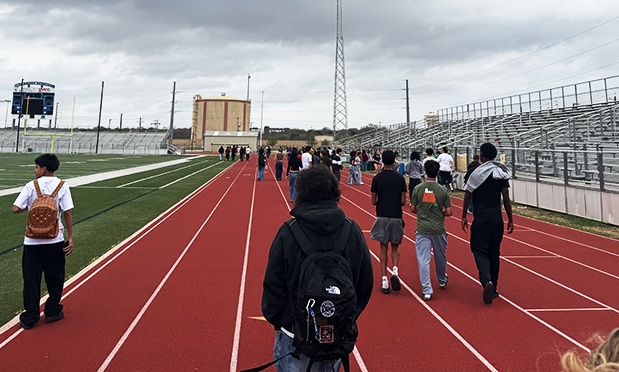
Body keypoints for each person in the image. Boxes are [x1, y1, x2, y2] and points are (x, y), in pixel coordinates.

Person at [262, 165, 373, 372]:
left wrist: (284, 323)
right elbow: (365, 283)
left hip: (294, 335)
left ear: (302, 192)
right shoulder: (352, 230)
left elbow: (273, 285)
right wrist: (343, 314)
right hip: (336, 330)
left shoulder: (288, 233)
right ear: (334, 192)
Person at [12, 154, 74, 330]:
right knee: (55, 277)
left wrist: (31, 207)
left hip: (32, 242)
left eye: (37, 167)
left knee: (31, 279)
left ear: (44, 168)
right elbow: (67, 212)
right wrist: (69, 237)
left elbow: (15, 208)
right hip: (54, 240)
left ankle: (30, 316)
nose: (35, 170)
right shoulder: (63, 185)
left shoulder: (31, 186)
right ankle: (53, 310)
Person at [461, 142, 514, 305]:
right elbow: (505, 198)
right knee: (494, 252)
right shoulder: (500, 173)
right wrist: (510, 219)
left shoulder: (475, 173)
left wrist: (463, 216)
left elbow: (468, 194)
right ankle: (494, 287)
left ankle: (487, 282)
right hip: (496, 218)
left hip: (481, 218)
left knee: (478, 250)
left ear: (483, 156)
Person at [410, 160, 452, 301]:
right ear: (438, 172)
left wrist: (422, 213)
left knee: (423, 259)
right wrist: (440, 213)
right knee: (440, 256)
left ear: (425, 171)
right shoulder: (443, 190)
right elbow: (450, 212)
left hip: (422, 228)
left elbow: (412, 208)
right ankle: (441, 279)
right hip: (439, 228)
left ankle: (427, 289)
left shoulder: (418, 188)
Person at [370, 150, 407, 294]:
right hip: (396, 215)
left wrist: (382, 201)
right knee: (396, 246)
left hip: (382, 215)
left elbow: (373, 201)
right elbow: (403, 200)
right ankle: (395, 271)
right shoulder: (400, 179)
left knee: (383, 247)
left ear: (382, 161)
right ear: (394, 161)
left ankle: (384, 280)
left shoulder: (377, 179)